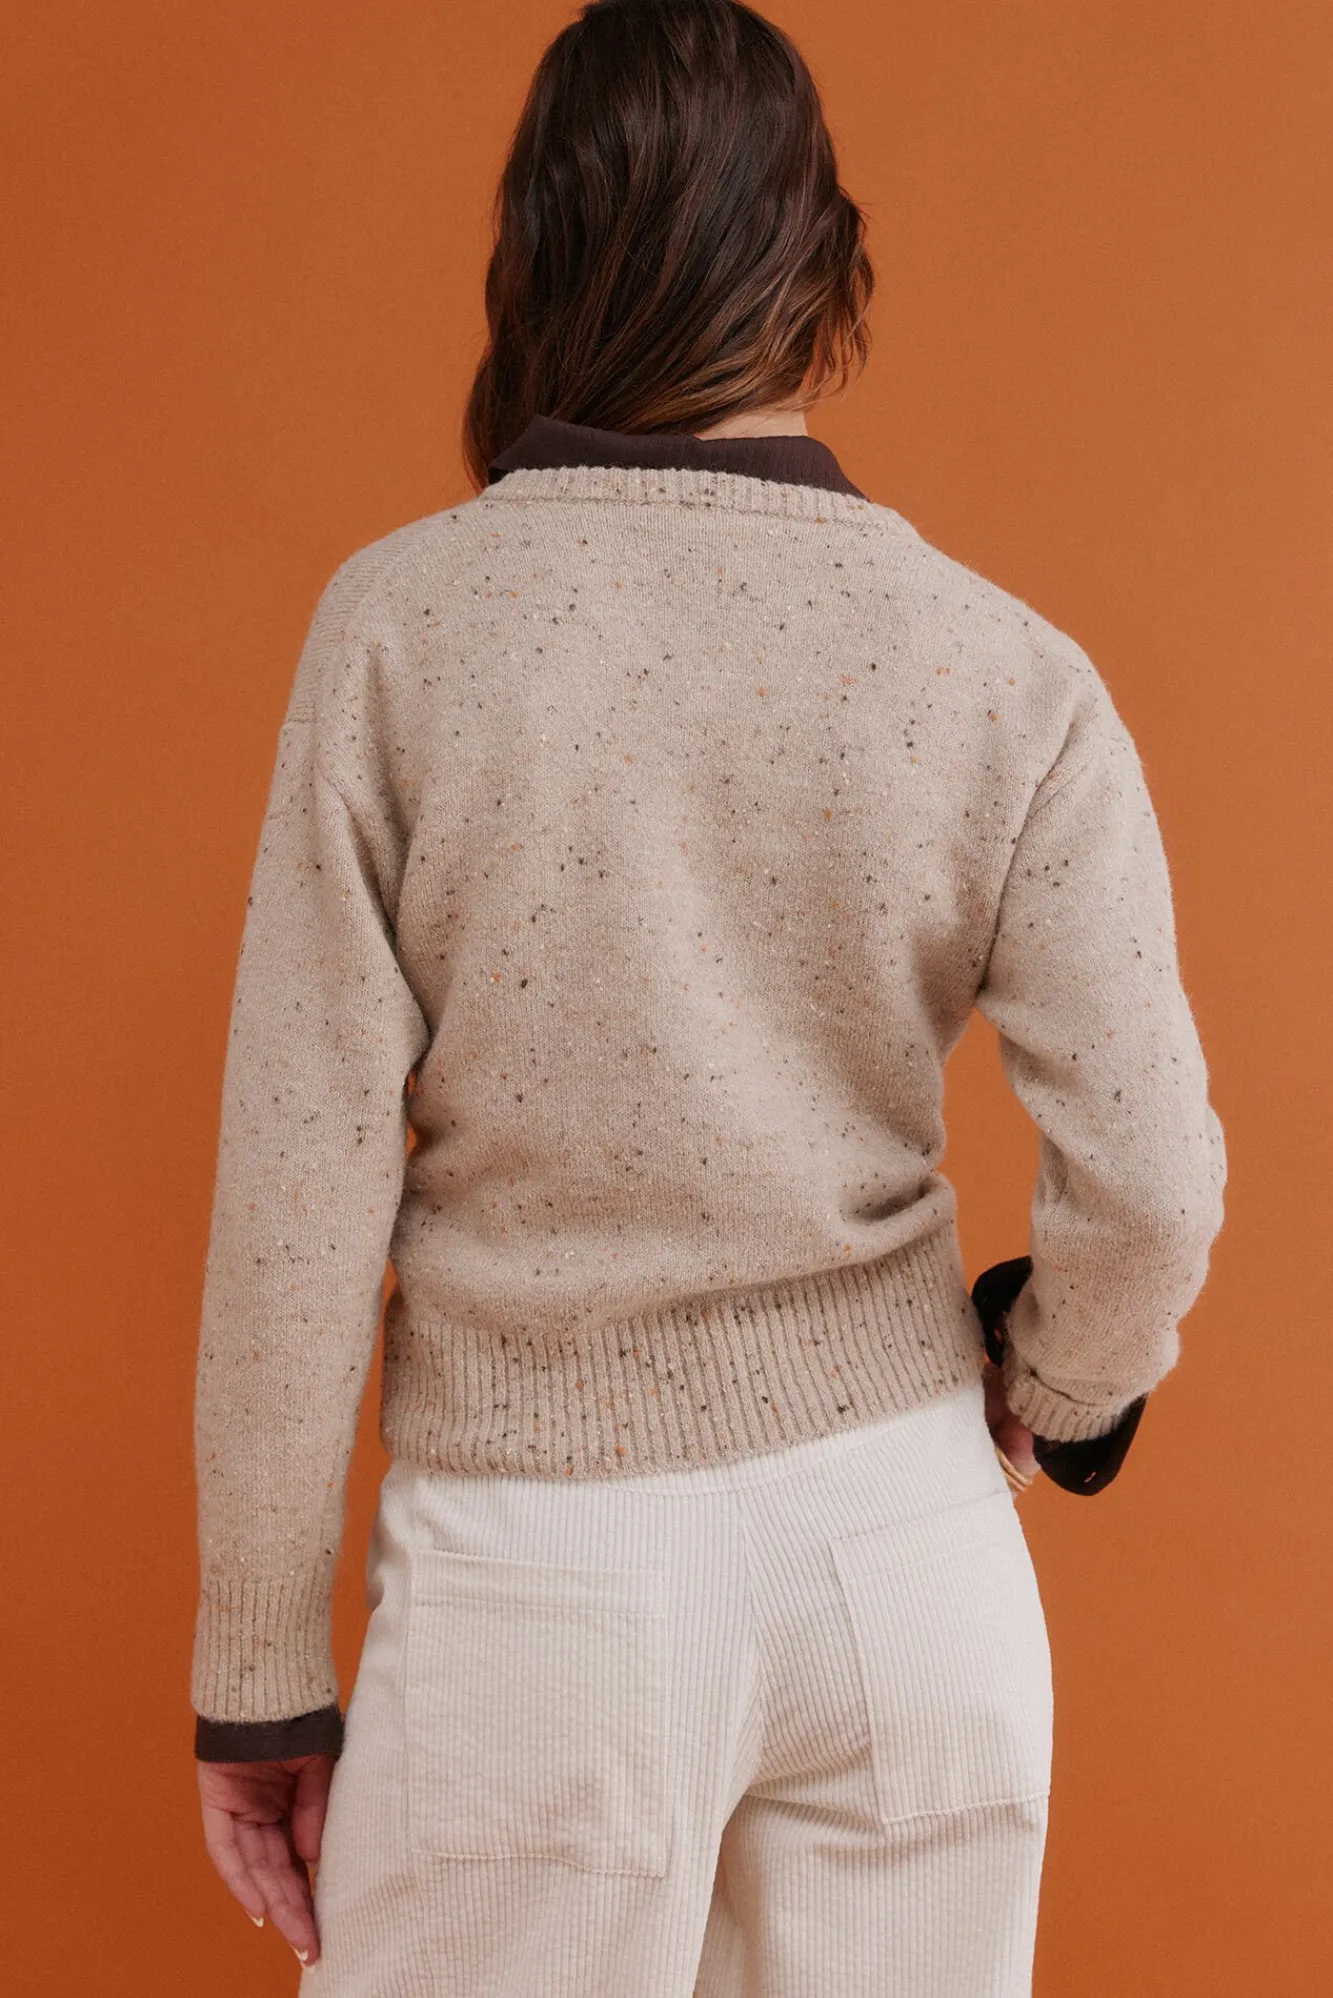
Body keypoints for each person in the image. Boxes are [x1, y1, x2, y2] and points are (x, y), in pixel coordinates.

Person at [191, 2, 1227, 1991]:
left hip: (539, 1579)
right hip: (908, 1561)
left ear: (536, 256)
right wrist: (1060, 1387)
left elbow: (297, 1191)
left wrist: (260, 1667)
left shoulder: (404, 629)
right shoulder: (1002, 668)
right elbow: (1157, 1183)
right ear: (823, 266)